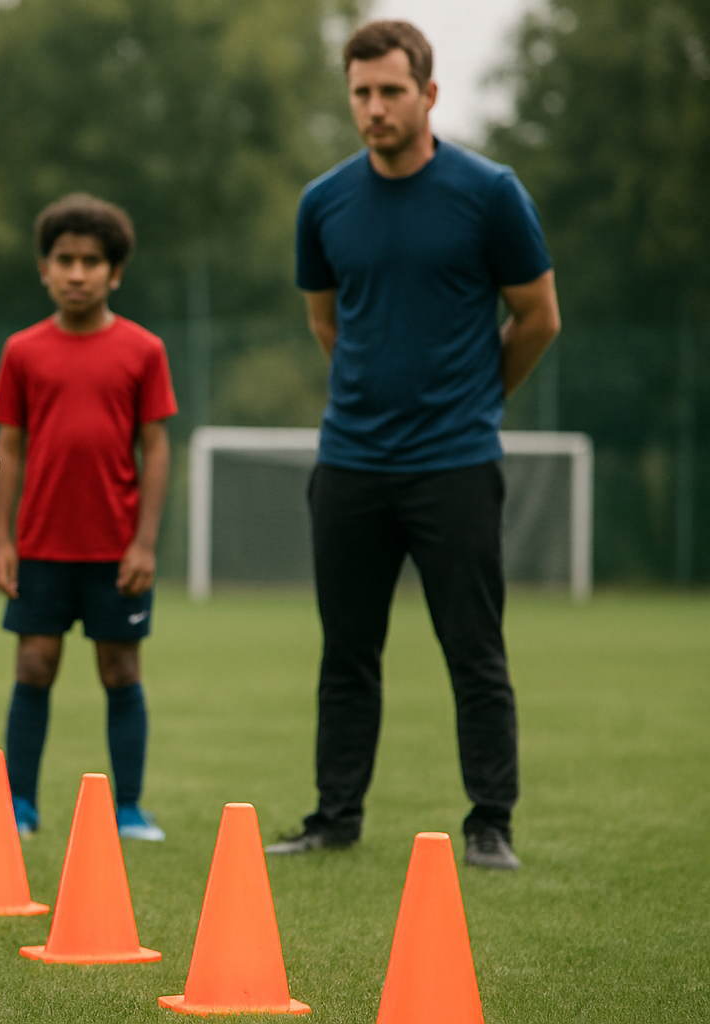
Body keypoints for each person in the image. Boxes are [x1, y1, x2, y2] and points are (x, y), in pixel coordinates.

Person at [265, 20, 561, 871]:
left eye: (392, 91)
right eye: (361, 92)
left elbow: (538, 316)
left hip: (456, 464)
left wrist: (475, 400)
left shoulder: (491, 191)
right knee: (346, 650)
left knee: (474, 648)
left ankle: (490, 823)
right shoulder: (323, 203)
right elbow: (328, 323)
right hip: (351, 462)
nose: (375, 107)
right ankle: (334, 817)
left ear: (428, 94)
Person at [0, 193, 178, 843]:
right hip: (41, 546)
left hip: (115, 548)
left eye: (91, 261)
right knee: (34, 664)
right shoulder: (22, 351)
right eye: (64, 260)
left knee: (120, 670)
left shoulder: (143, 350)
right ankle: (19, 805)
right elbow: (7, 448)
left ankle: (129, 809)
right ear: (44, 268)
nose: (76, 272)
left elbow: (156, 446)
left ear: (115, 272)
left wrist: (145, 544)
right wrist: (2, 539)